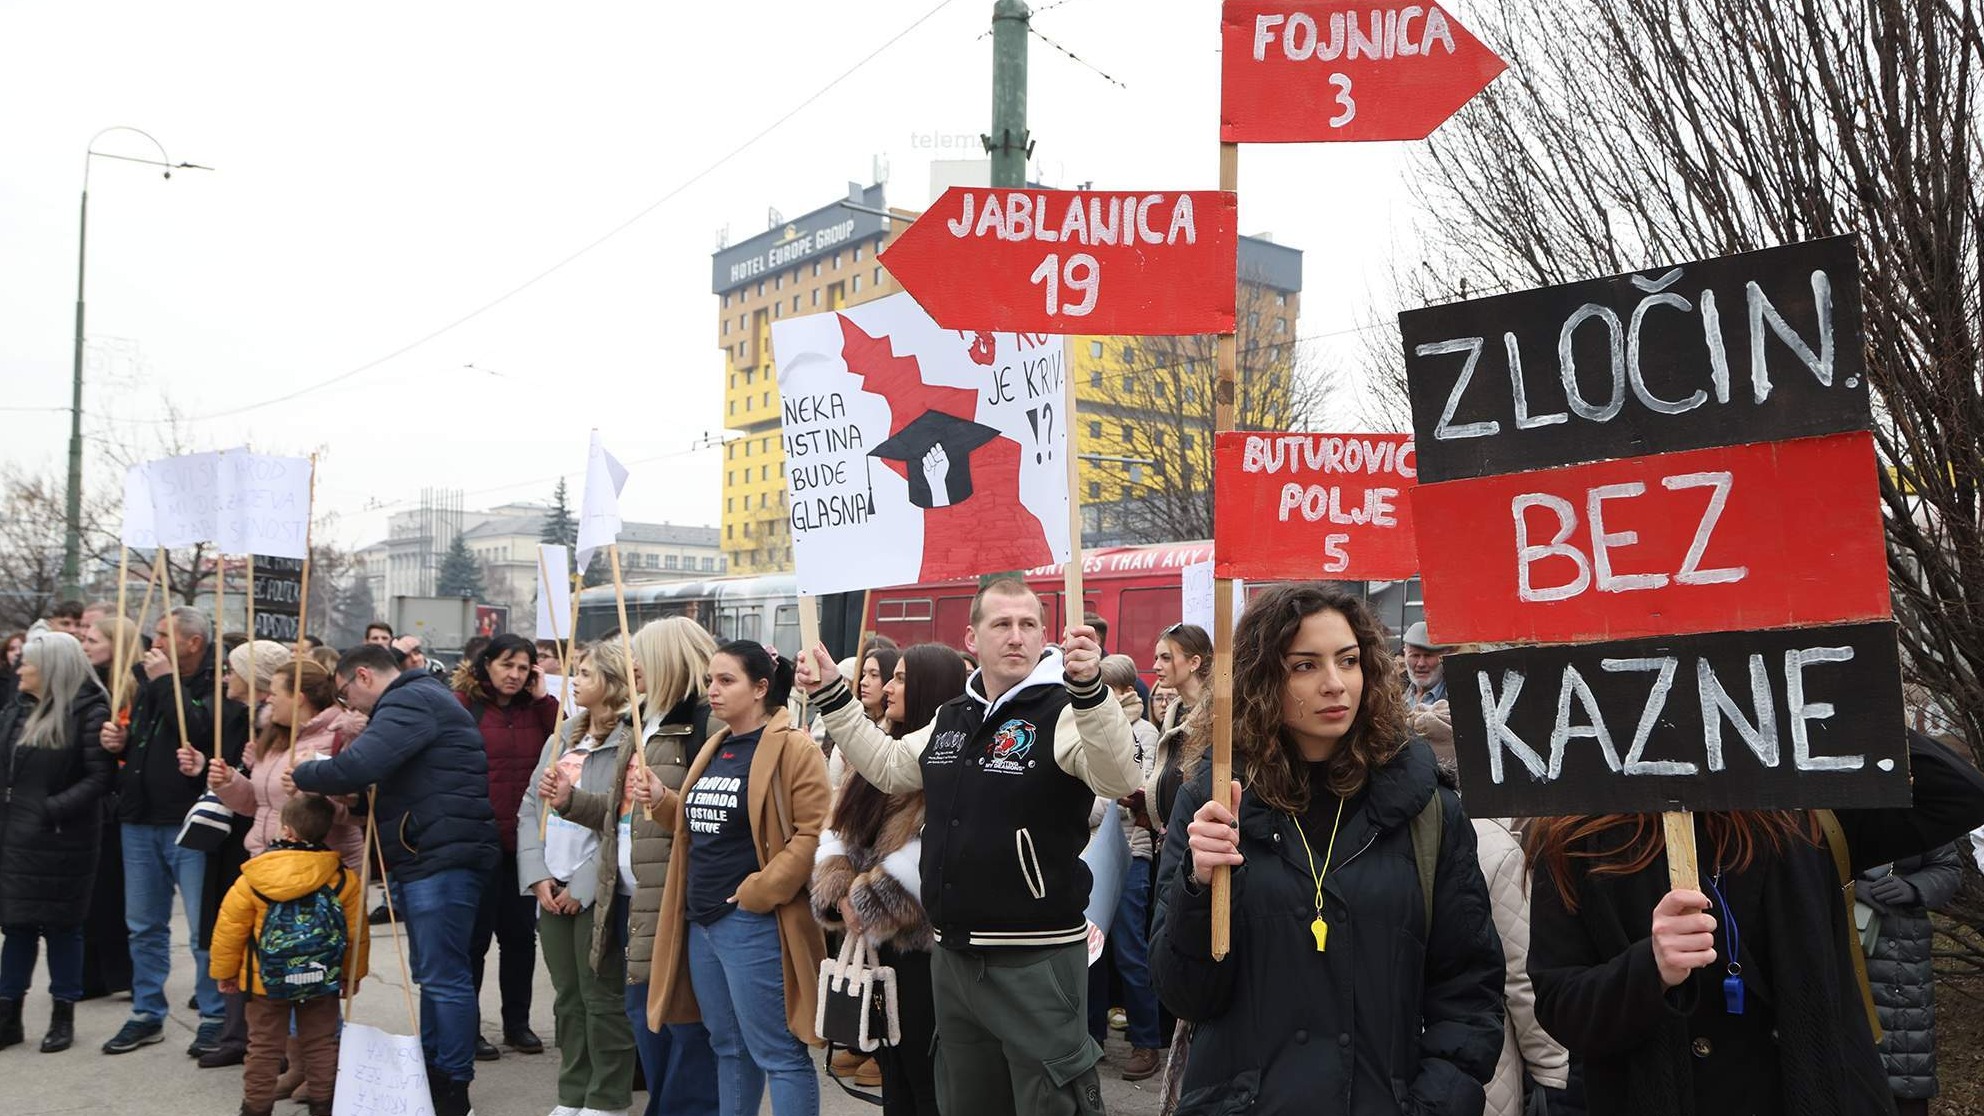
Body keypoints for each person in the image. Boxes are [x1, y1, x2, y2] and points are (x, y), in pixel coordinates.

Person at [1151, 583, 1505, 1115]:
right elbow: (1184, 995)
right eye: (1305, 666)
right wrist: (1197, 888)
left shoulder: (1425, 806)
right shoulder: (1212, 799)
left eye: (1348, 660)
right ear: (1263, 677)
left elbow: (1469, 989)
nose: (1336, 684)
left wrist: (1432, 1105)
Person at [799, 577, 1139, 1116]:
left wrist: (1093, 691)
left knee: (1049, 1101)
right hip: (954, 956)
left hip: (1037, 958)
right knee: (965, 1100)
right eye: (1001, 624)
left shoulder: (1066, 708)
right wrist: (832, 698)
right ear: (972, 637)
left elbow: (1119, 778)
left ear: (1045, 634)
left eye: (1028, 625)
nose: (1016, 637)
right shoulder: (954, 715)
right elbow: (888, 767)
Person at [1525, 729, 1984, 1116]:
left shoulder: (1803, 809)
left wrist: (1835, 694)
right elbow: (1562, 1006)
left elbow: (1957, 795)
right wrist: (1649, 968)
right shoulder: (1576, 840)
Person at [288, 643, 499, 1116]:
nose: (349, 707)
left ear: (362, 676)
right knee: (435, 975)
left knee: (444, 977)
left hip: (438, 856)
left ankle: (452, 1083)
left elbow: (360, 766)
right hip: (431, 853)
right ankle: (433, 1071)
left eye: (345, 695)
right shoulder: (419, 699)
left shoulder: (409, 700)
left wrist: (304, 771)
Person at [646, 641, 829, 1116]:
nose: (713, 690)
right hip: (702, 920)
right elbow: (700, 823)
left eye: (726, 681)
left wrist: (758, 893)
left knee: (778, 1052)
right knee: (728, 1047)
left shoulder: (794, 747)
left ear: (761, 688)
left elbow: (812, 835)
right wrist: (664, 800)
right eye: (711, 680)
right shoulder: (717, 743)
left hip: (751, 922)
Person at [812, 642, 969, 1116]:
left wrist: (866, 903)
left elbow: (933, 852)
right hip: (874, 945)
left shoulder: (947, 760)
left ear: (928, 689)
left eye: (900, 678)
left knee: (926, 1076)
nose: (888, 687)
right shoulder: (876, 750)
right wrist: (838, 888)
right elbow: (838, 828)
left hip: (921, 951)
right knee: (893, 1072)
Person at [97, 607, 250, 1057]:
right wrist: (120, 745)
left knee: (204, 928)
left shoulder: (216, 685)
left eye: (164, 635)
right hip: (140, 817)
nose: (155, 643)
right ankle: (146, 1012)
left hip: (188, 822)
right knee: (142, 924)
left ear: (192, 643)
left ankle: (213, 1014)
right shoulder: (149, 680)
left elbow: (202, 731)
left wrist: (166, 682)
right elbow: (151, 740)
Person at [207, 655, 360, 1100]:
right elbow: (258, 805)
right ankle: (297, 1067)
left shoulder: (340, 736)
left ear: (304, 697)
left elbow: (354, 808)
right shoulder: (273, 737)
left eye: (276, 691)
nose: (267, 698)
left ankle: (323, 1072)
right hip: (269, 868)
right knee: (279, 970)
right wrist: (228, 782)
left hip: (318, 872)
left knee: (315, 975)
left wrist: (315, 789)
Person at [519, 642, 640, 1116]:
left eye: (586, 673)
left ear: (610, 683)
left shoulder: (628, 741)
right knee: (567, 999)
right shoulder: (561, 737)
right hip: (551, 885)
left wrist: (583, 885)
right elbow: (532, 808)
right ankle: (573, 1092)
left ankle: (608, 1096)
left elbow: (618, 820)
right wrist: (538, 876)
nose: (575, 681)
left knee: (601, 996)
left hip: (595, 890)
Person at [183, 639, 306, 1070]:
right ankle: (237, 1034)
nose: (223, 677)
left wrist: (247, 775)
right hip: (236, 840)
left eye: (232, 669)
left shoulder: (279, 727)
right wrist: (212, 772)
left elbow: (271, 792)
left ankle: (270, 1044)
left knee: (269, 946)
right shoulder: (236, 716)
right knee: (233, 938)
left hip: (262, 845)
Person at [616, 618, 721, 1116]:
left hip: (680, 899)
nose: (630, 664)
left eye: (640, 653)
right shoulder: (639, 717)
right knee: (647, 1021)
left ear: (667, 659)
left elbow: (723, 813)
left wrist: (664, 799)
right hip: (639, 896)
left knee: (684, 1027)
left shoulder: (705, 721)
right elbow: (622, 812)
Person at [209, 794, 367, 1116]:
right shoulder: (342, 877)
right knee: (321, 1043)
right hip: (320, 977)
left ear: (286, 830)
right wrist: (352, 975)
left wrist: (225, 973)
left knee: (263, 1047)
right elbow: (355, 933)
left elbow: (229, 929)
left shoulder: (254, 875)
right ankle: (323, 1105)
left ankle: (256, 1108)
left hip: (265, 981)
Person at [0, 633, 114, 1054]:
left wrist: (49, 809)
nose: (19, 669)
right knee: (16, 927)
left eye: (27, 663)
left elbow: (99, 778)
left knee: (64, 929)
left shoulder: (88, 711)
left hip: (63, 839)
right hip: (15, 837)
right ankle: (8, 1015)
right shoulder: (17, 708)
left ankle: (62, 1015)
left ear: (50, 669)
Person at [455, 633, 557, 1060]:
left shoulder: (537, 711)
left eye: (522, 667)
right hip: (478, 843)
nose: (514, 675)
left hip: (525, 843)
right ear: (486, 664)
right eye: (506, 665)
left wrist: (545, 698)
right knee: (474, 941)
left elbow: (565, 742)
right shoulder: (463, 706)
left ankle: (517, 1023)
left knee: (518, 938)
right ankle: (469, 1029)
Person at [1089, 654, 1164, 1081]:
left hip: (1131, 853)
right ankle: (1091, 1036)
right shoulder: (1090, 728)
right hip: (1091, 854)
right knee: (1091, 953)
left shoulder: (1144, 732)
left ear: (1120, 691)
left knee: (1131, 951)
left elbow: (1138, 790)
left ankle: (1145, 1041)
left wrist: (1104, 800)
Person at [1860, 842, 1964, 1116]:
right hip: (1834, 934)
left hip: (1903, 951)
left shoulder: (1917, 803)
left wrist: (1916, 887)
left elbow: (1947, 867)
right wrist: (1843, 888)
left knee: (1906, 1068)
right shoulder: (1821, 801)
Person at [78, 614, 139, 1000]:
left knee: (116, 892)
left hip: (122, 800)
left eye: (93, 640)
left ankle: (121, 973)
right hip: (100, 800)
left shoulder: (132, 689)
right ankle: (94, 973)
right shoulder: (92, 686)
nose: (85, 645)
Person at [1144, 623, 1211, 840]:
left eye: (1166, 658)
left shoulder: (1216, 713)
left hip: (1197, 840)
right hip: (1169, 838)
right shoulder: (1174, 712)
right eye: (1156, 658)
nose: (1156, 666)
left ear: (1194, 662)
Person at [1399, 622, 1453, 753]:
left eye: (1428, 656)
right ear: (1405, 654)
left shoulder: (1458, 696)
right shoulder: (1393, 692)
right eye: (1415, 655)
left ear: (1444, 656)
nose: (1421, 664)